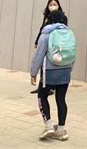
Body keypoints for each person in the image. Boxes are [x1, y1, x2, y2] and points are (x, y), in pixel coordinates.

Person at [30, 10, 74, 141]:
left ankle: (48, 125)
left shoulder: (46, 33)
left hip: (50, 71)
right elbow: (72, 53)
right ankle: (61, 130)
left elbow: (39, 55)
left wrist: (33, 73)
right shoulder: (69, 33)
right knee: (61, 99)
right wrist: (70, 69)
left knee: (42, 96)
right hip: (65, 70)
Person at [31, 0, 67, 95]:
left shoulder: (63, 17)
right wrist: (37, 41)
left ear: (59, 5)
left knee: (51, 64)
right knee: (43, 65)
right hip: (45, 42)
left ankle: (50, 87)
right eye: (50, 4)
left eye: (54, 4)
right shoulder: (47, 17)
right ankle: (42, 85)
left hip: (55, 45)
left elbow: (62, 31)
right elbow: (42, 29)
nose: (52, 6)